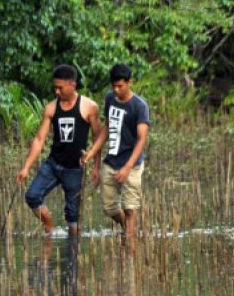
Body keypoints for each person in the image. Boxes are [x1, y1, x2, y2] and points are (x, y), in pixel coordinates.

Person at [16, 65, 102, 236]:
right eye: (54, 87)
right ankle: (50, 229)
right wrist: (26, 167)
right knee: (32, 196)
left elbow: (98, 138)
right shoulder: (51, 108)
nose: (56, 91)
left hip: (74, 168)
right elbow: (40, 139)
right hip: (53, 164)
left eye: (60, 87)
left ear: (73, 85)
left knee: (73, 217)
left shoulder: (89, 107)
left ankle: (72, 252)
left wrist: (96, 166)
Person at [82, 64, 149, 249]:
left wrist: (127, 167)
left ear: (130, 83)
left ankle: (130, 246)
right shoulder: (110, 99)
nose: (116, 90)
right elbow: (107, 128)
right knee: (109, 207)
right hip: (111, 161)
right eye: (114, 86)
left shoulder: (139, 106)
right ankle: (128, 229)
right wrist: (92, 151)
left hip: (132, 164)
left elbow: (142, 139)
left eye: (120, 86)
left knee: (129, 208)